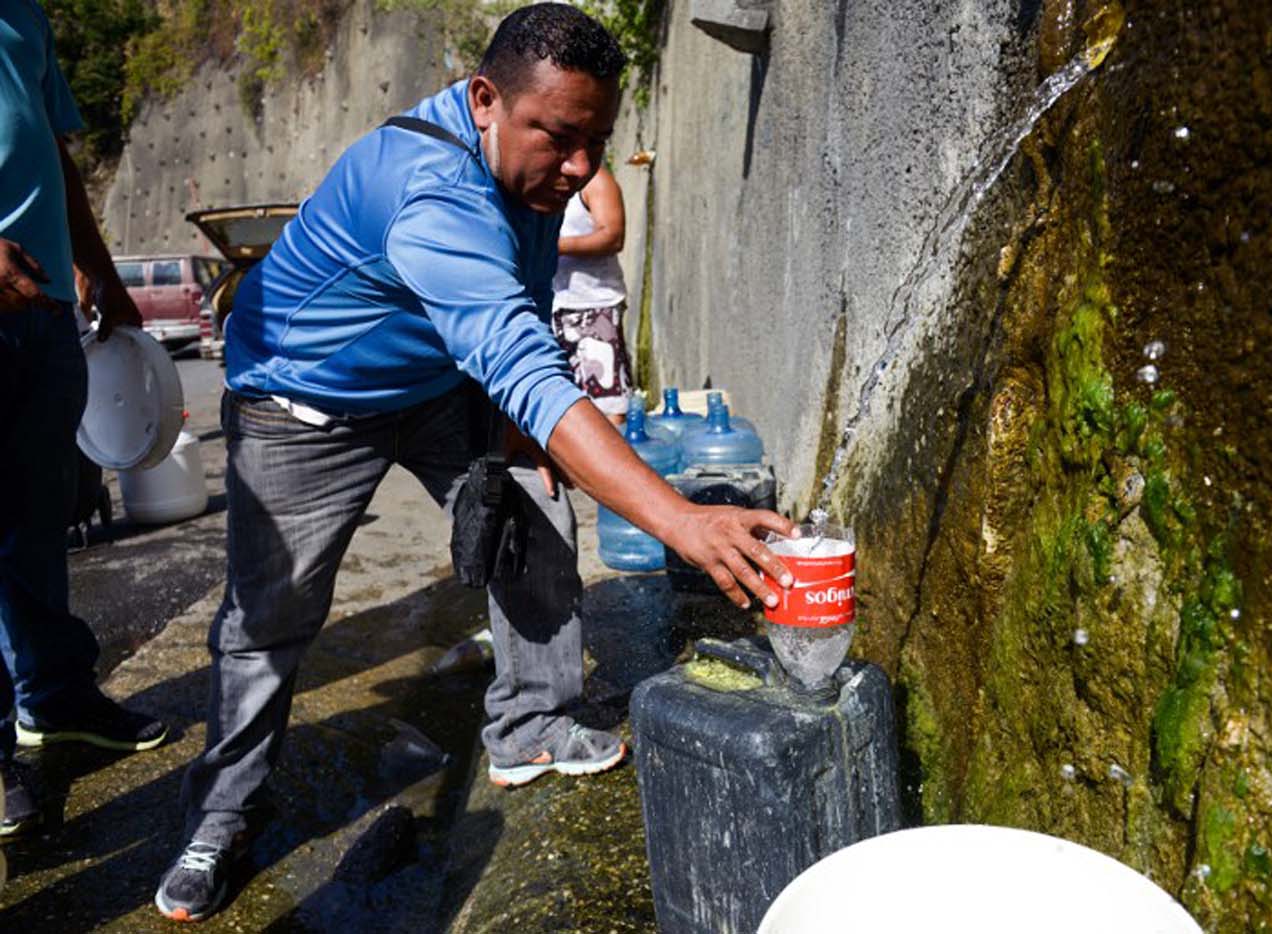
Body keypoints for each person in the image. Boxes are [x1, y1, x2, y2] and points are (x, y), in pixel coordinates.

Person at [154, 4, 795, 922]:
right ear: (486, 99)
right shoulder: (432, 187)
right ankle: (217, 818)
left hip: (432, 384)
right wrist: (681, 519)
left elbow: (523, 318)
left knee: (530, 508)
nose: (578, 170)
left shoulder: (529, 170)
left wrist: (523, 433)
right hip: (306, 400)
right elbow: (519, 357)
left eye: (597, 143)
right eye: (560, 138)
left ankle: (530, 727)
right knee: (271, 617)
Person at [0, 0, 168, 838]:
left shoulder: (24, 15)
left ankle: (56, 698)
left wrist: (100, 268)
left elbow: (52, 153)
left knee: (40, 518)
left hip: (45, 306)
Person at [552, 164, 632, 424]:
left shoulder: (594, 180)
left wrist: (553, 246)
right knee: (567, 407)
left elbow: (612, 236)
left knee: (608, 406)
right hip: (553, 309)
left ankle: (614, 462)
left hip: (594, 307)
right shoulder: (540, 181)